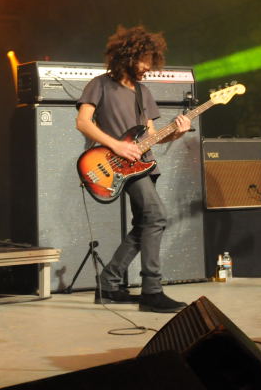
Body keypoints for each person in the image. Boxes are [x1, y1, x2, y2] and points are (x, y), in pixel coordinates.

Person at [75, 25, 191, 313]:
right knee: (156, 216)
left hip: (142, 164)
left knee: (145, 224)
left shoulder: (143, 92)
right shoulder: (100, 84)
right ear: (128, 56)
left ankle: (108, 284)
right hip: (115, 163)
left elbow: (152, 135)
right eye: (144, 61)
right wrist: (116, 145)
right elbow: (83, 122)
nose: (148, 68)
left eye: (151, 62)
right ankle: (152, 291)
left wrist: (177, 132)